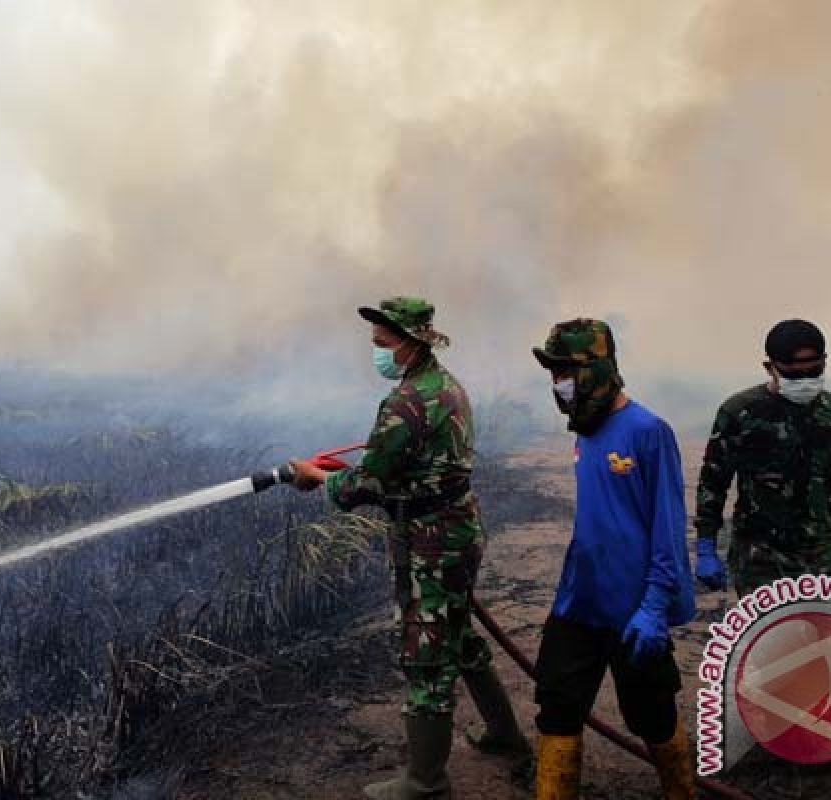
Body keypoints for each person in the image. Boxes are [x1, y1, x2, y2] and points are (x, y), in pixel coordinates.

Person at [289, 296, 529, 799]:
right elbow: (405, 464)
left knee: (426, 655)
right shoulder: (445, 386)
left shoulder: (404, 402)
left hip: (430, 542)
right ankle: (505, 733)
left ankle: (425, 782)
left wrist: (317, 478)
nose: (375, 352)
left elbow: (366, 485)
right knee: (460, 637)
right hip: (459, 530)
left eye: (381, 344)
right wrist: (357, 472)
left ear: (410, 342)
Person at [530, 318, 697, 800]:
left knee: (653, 716)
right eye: (552, 372)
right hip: (579, 601)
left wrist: (654, 606)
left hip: (634, 610)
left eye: (565, 370)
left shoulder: (648, 431)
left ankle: (681, 792)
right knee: (557, 707)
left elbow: (666, 527)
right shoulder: (585, 428)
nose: (557, 383)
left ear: (598, 369)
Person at [693, 318, 831, 595]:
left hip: (820, 549)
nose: (805, 381)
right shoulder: (740, 412)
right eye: (794, 375)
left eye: (814, 371)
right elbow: (713, 482)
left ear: (825, 363)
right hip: (760, 555)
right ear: (770, 368)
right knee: (774, 635)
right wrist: (706, 546)